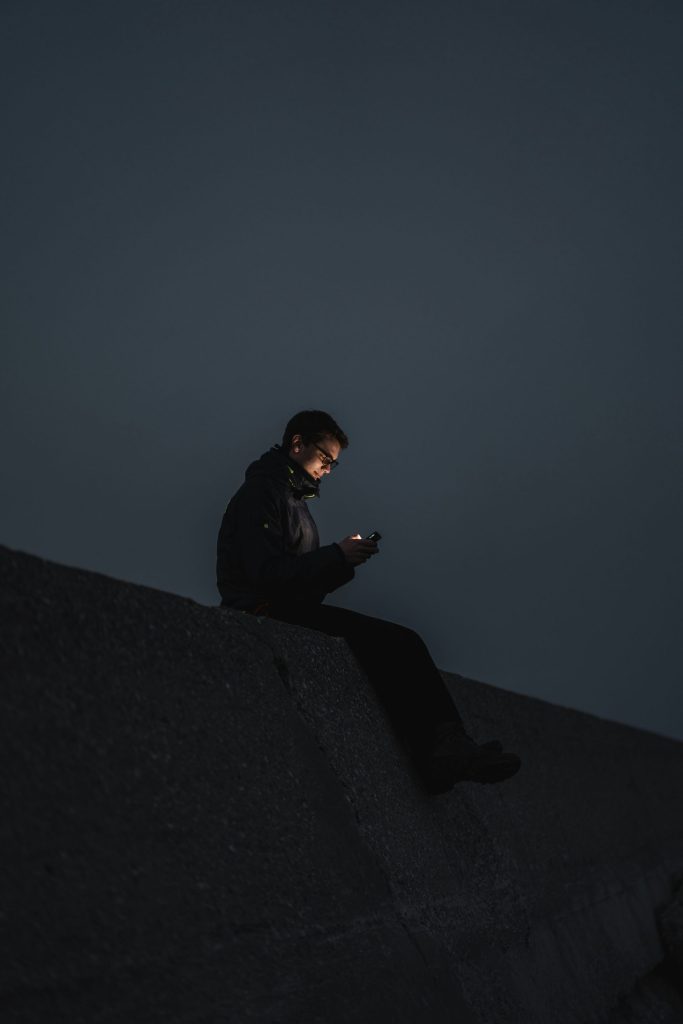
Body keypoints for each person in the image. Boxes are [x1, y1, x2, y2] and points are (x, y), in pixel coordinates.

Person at [216, 410, 521, 795]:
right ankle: (442, 751)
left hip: (284, 609)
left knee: (397, 644)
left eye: (333, 464)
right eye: (325, 459)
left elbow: (303, 590)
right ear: (297, 444)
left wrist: (343, 562)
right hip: (260, 612)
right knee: (397, 643)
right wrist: (336, 557)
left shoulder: (295, 504)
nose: (328, 469)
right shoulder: (262, 493)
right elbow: (266, 575)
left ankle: (444, 747)